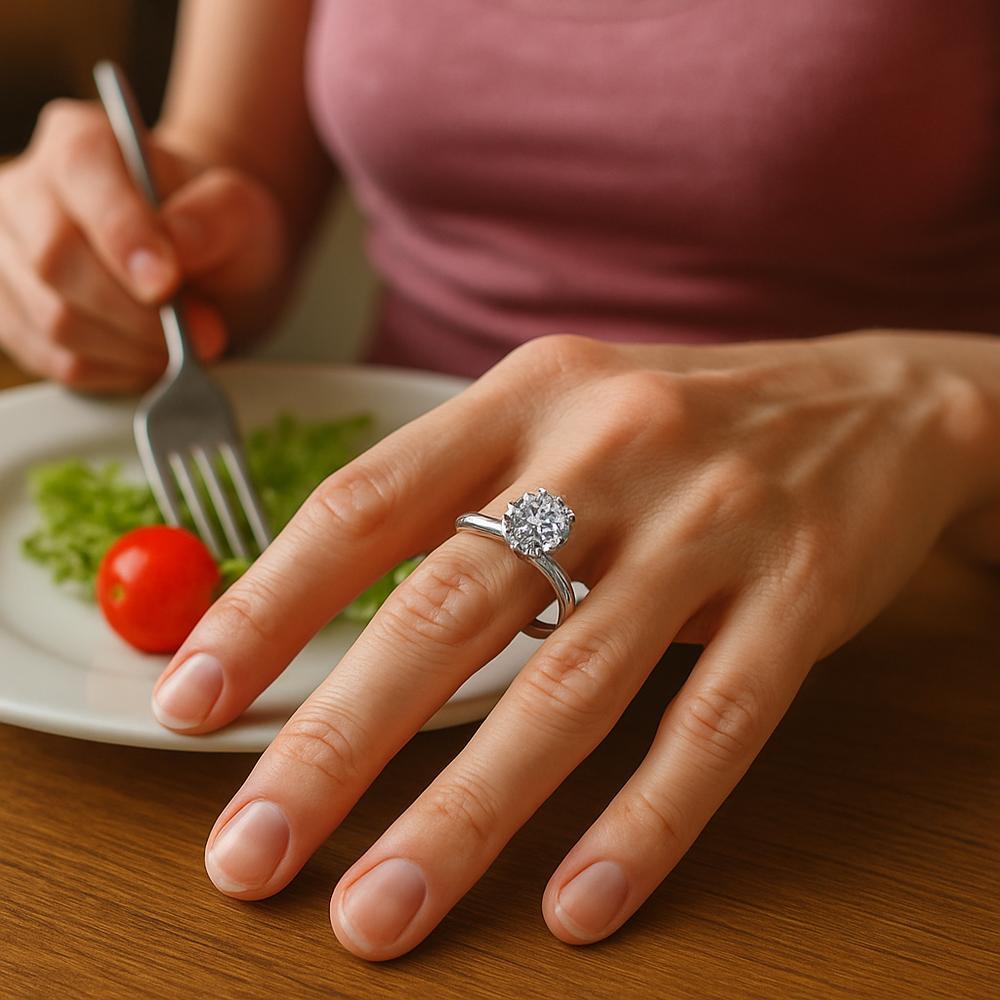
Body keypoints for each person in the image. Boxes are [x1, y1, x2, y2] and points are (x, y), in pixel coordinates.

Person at [1, 0, 998, 963]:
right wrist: (149, 249)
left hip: (885, 653)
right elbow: (234, 162)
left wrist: (935, 402)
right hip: (403, 600)